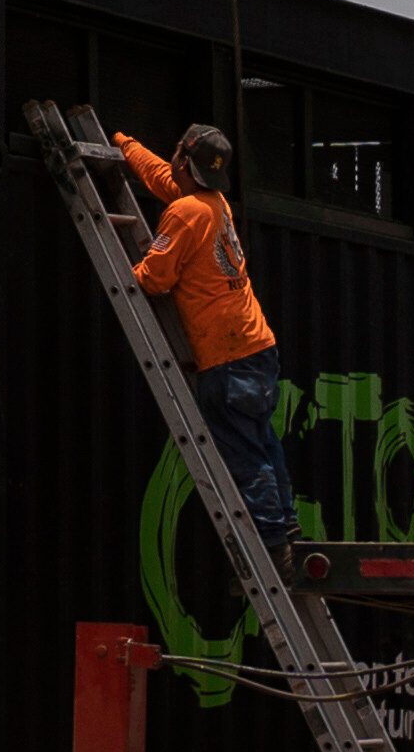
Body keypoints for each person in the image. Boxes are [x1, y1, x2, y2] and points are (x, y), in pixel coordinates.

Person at [117, 124, 300, 550]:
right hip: (258, 346)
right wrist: (125, 146)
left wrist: (133, 271)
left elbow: (155, 277)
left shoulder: (185, 213)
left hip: (227, 356)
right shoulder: (212, 204)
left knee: (240, 449)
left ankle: (273, 542)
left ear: (185, 160)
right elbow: (163, 178)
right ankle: (286, 522)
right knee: (261, 438)